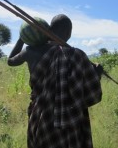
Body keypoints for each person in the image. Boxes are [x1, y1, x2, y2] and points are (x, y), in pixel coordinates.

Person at [8, 14, 103, 148]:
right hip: (71, 125)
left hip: (40, 118)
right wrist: (97, 73)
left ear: (49, 30)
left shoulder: (30, 51)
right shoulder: (77, 55)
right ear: (69, 33)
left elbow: (10, 61)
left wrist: (22, 37)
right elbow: (92, 96)